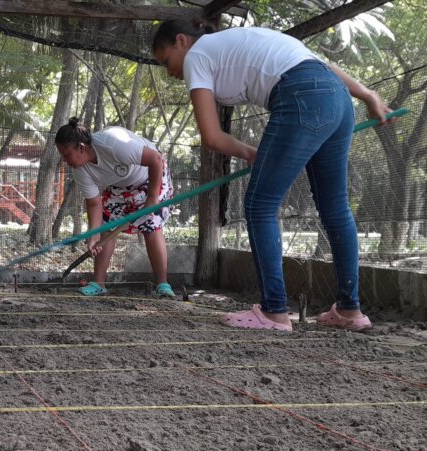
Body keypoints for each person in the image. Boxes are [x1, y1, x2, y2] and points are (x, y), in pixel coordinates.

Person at [152, 20, 392, 331]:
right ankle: (349, 310)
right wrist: (368, 94)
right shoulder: (244, 39)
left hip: (301, 97)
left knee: (259, 204)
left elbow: (211, 137)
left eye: (166, 61)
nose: (169, 72)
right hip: (338, 100)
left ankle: (274, 311)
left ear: (182, 41)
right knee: (335, 208)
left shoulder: (198, 55)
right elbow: (323, 66)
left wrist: (252, 154)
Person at [55, 117, 176, 298]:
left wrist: (152, 197)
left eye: (66, 155)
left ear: (81, 146)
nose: (64, 160)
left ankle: (163, 284)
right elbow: (94, 203)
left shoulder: (114, 143)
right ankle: (98, 283)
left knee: (151, 227)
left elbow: (156, 159)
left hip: (150, 177)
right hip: (118, 186)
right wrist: (93, 235)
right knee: (106, 226)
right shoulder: (79, 170)